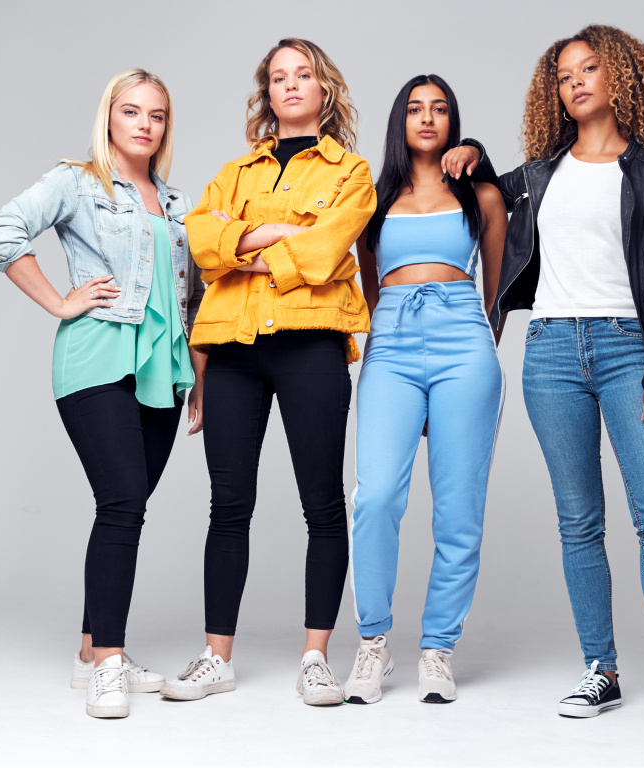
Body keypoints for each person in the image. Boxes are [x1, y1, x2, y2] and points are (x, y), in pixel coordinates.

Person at [447, 25, 644, 741]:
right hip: (549, 351)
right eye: (563, 75)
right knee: (578, 522)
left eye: (589, 69)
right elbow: (484, 198)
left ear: (621, 78)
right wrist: (475, 154)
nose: (575, 82)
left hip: (625, 349)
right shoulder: (538, 175)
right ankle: (601, 671)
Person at [0, 69, 205, 719]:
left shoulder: (177, 203)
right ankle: (109, 658)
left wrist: (197, 377)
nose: (143, 124)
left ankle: (89, 651)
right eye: (130, 111)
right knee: (122, 501)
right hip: (97, 356)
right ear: (108, 118)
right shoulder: (77, 183)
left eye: (156, 115)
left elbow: (189, 295)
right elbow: (2, 232)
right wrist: (59, 300)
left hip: (161, 368)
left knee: (126, 508)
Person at [161, 38, 373, 707]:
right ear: (266, 92)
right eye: (277, 77)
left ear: (323, 89)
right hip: (231, 348)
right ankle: (214, 657)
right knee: (228, 507)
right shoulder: (233, 172)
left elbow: (325, 252)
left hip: (310, 344)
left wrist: (241, 244)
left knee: (322, 505)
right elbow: (199, 240)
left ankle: (315, 658)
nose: (289, 85)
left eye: (301, 74)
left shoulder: (351, 171)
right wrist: (268, 234)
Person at [341, 75, 505, 706]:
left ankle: (438, 650)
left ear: (453, 120)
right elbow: (370, 282)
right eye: (415, 108)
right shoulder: (375, 199)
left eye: (439, 109)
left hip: (464, 340)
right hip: (393, 344)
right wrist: (394, 334)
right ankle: (374, 643)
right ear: (399, 122)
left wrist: (468, 344)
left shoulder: (482, 195)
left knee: (459, 511)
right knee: (376, 496)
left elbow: (495, 289)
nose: (427, 118)